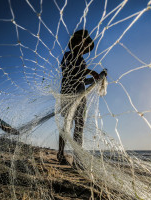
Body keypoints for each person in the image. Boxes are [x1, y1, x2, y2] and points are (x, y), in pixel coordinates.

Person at [57, 29, 106, 164]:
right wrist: (90, 71)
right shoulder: (68, 55)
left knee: (80, 124)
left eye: (85, 43)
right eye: (80, 41)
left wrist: (98, 78)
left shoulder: (82, 61)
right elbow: (69, 72)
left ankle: (77, 158)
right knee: (67, 124)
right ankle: (60, 154)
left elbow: (82, 80)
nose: (83, 45)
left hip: (80, 96)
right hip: (68, 94)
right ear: (75, 42)